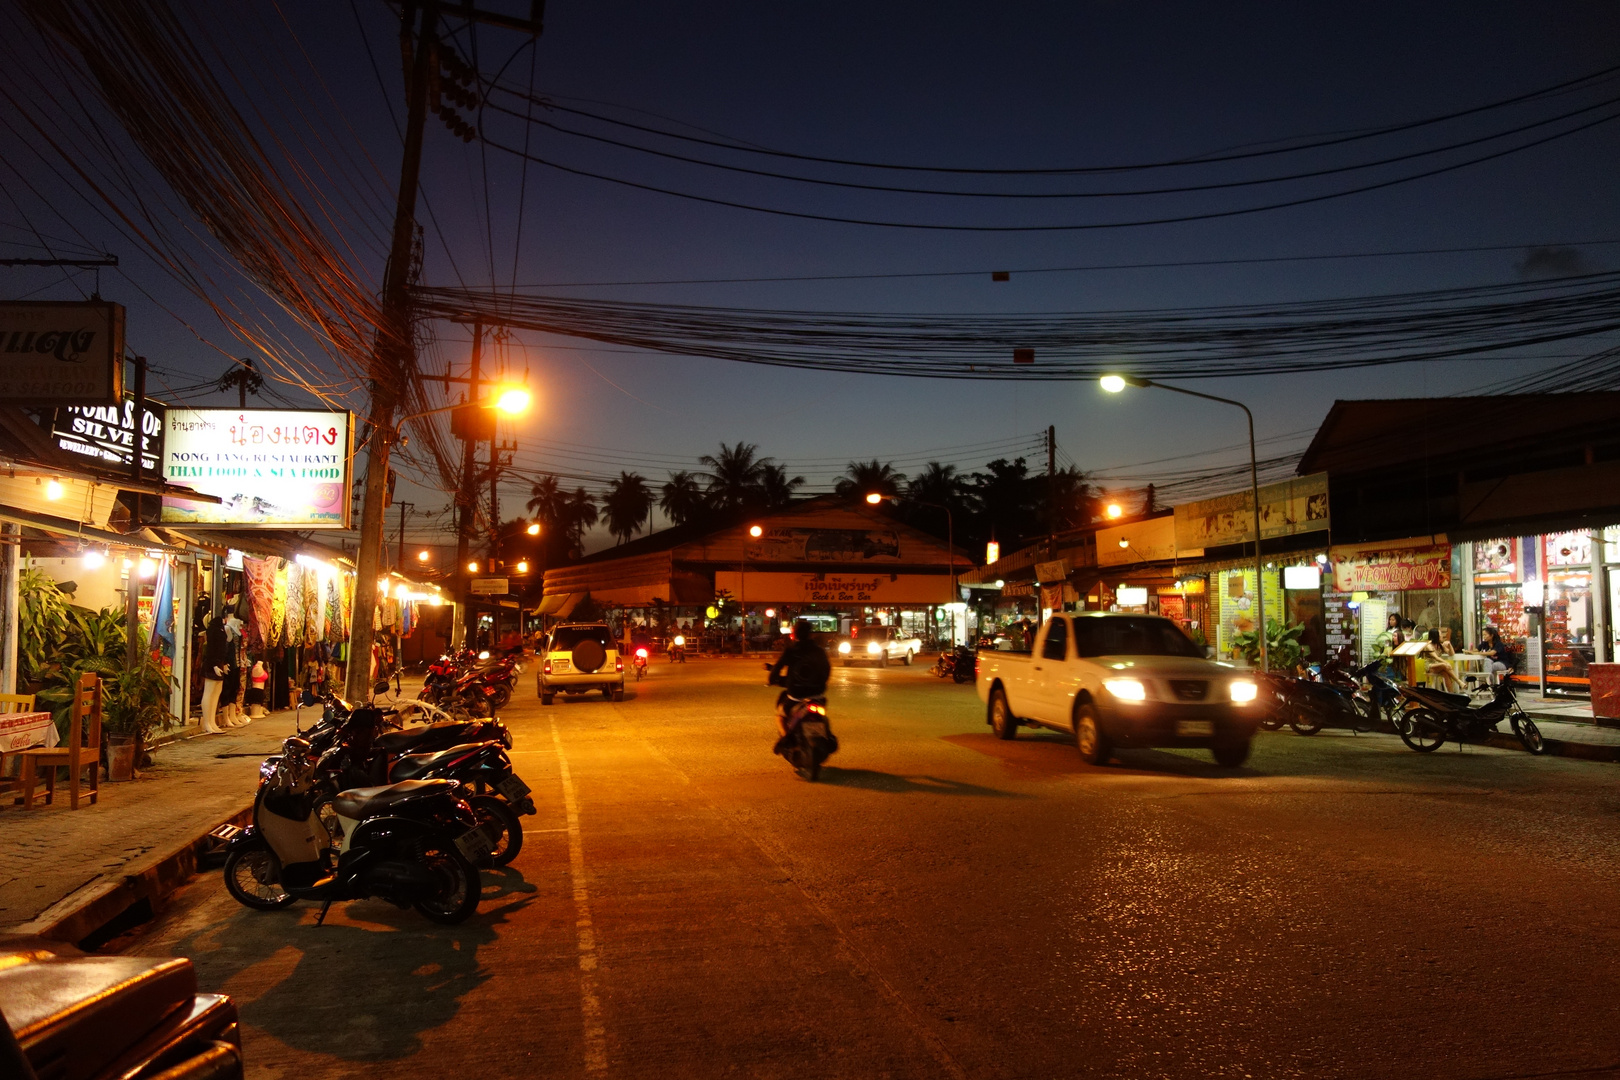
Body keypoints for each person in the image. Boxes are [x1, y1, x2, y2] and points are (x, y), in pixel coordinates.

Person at [768, 619, 831, 754]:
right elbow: (827, 669)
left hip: (796, 695)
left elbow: (778, 668)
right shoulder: (818, 651)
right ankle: (829, 735)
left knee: (781, 716)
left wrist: (772, 679)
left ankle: (786, 739)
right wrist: (821, 683)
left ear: (795, 634)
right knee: (823, 714)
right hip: (817, 693)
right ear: (809, 634)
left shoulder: (791, 650)